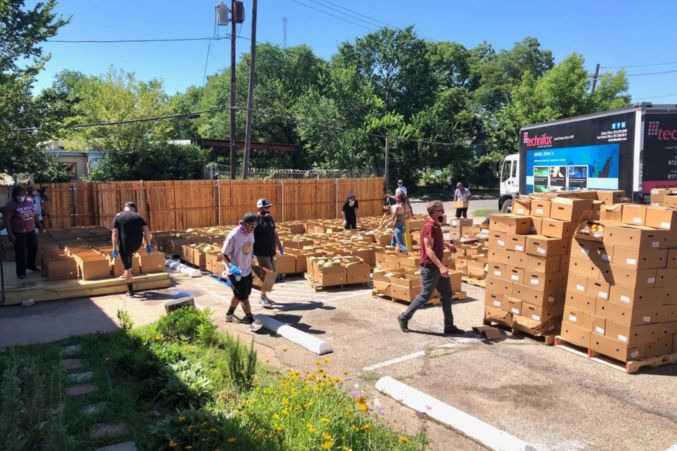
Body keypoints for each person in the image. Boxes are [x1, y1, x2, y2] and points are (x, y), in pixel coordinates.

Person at [397, 200, 464, 335]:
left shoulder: (436, 225)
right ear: (434, 212)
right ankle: (404, 317)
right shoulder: (429, 227)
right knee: (424, 296)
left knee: (447, 294)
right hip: (430, 268)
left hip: (437, 268)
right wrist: (441, 267)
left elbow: (435, 241)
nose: (444, 212)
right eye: (441, 210)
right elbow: (428, 250)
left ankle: (449, 325)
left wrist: (447, 245)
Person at [222, 213, 263, 332]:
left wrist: (251, 259)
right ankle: (252, 323)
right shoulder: (233, 236)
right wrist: (231, 266)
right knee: (244, 296)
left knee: (240, 294)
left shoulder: (251, 232)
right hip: (236, 271)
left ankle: (229, 315)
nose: (253, 228)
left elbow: (251, 247)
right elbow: (223, 253)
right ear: (243, 224)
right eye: (251, 225)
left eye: (255, 226)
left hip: (247, 269)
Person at [111, 201, 152, 297]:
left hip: (125, 245)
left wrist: (114, 248)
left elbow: (114, 233)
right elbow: (146, 230)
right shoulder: (138, 216)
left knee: (127, 267)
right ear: (133, 208)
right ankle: (129, 272)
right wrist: (148, 244)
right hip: (137, 244)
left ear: (125, 207)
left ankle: (130, 291)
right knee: (129, 258)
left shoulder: (118, 216)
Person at [3, 186, 44, 279]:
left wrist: (40, 226)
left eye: (22, 194)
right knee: (20, 252)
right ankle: (21, 272)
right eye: (19, 195)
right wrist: (10, 234)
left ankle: (30, 265)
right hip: (18, 232)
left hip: (31, 230)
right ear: (14, 195)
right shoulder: (11, 205)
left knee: (33, 247)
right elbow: (6, 220)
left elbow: (34, 215)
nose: (21, 196)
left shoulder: (29, 202)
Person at [253, 198, 283, 309]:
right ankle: (262, 297)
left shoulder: (269, 218)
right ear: (259, 208)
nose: (268, 209)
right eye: (266, 207)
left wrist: (279, 245)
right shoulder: (256, 219)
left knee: (272, 274)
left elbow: (274, 231)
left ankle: (264, 295)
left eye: (269, 207)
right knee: (267, 275)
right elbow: (251, 235)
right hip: (261, 252)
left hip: (270, 251)